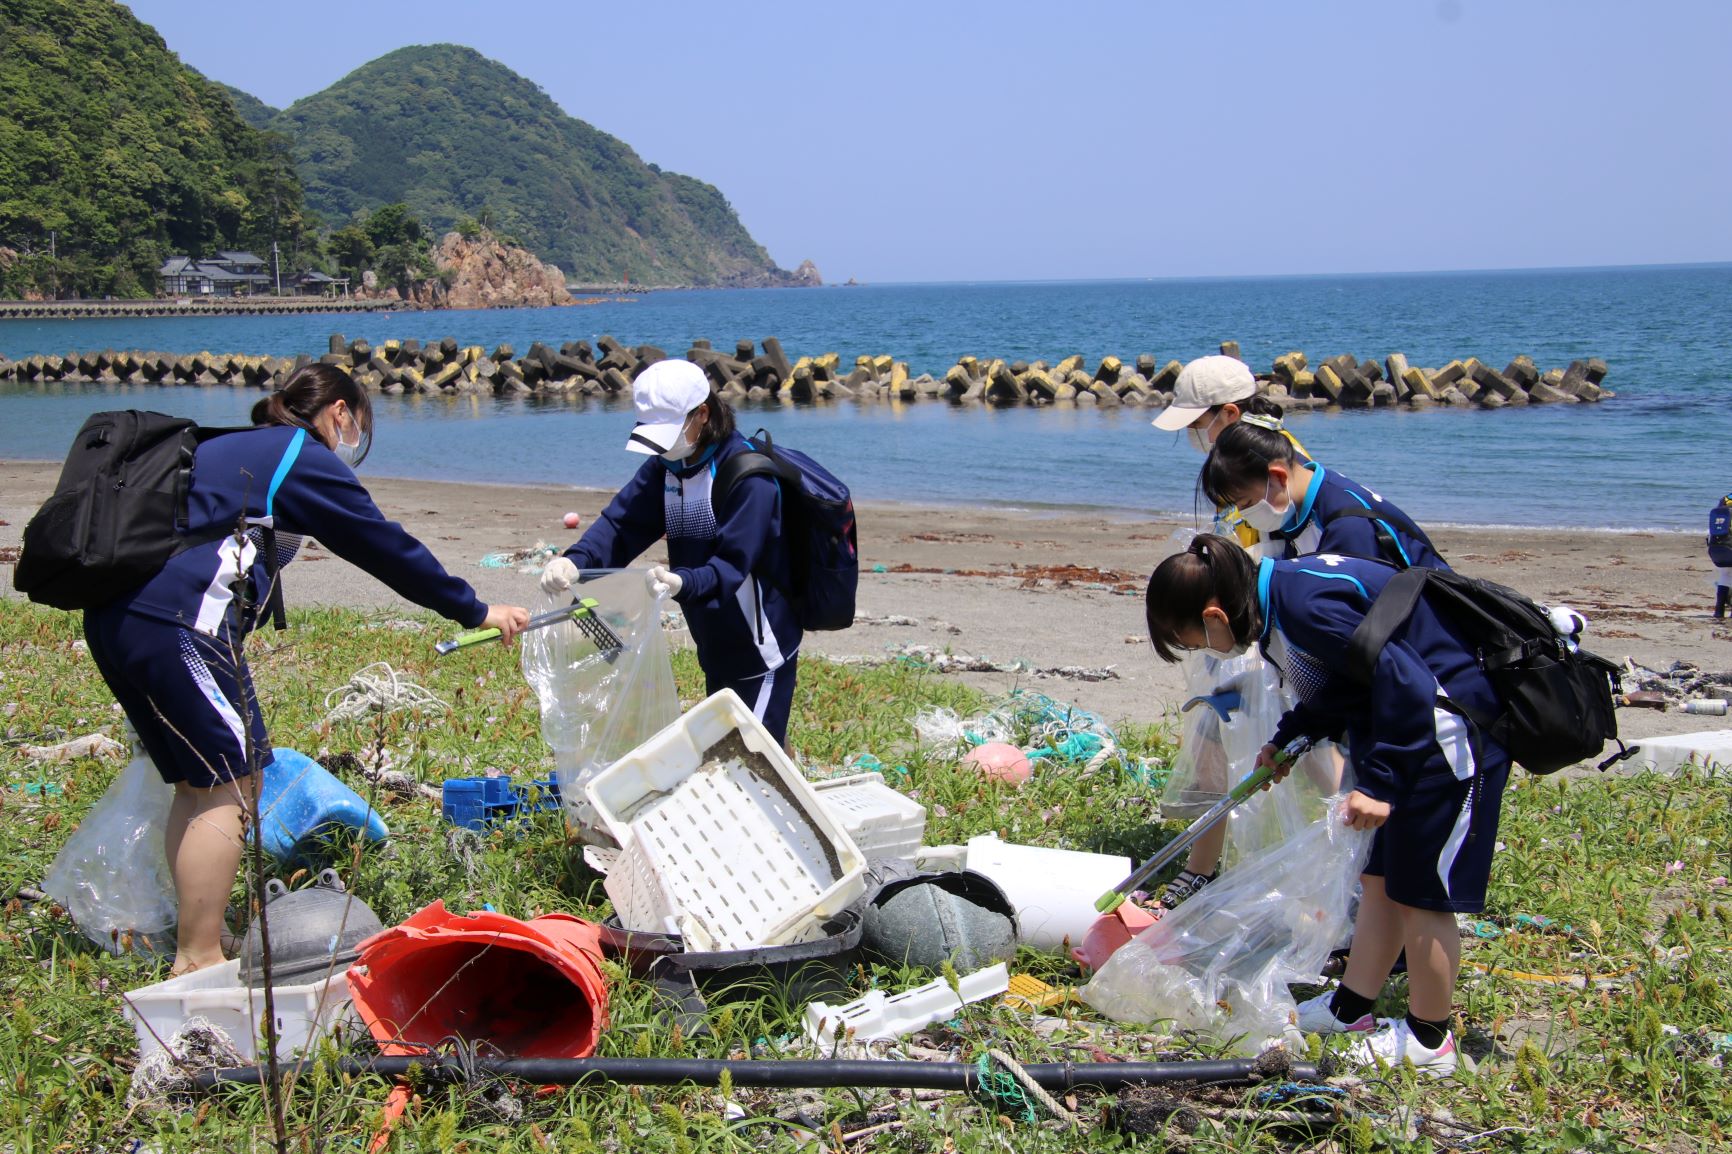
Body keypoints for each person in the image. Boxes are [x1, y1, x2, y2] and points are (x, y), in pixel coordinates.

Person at [83, 364, 529, 975]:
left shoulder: (234, 445)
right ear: (340, 413)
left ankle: (199, 936)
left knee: (201, 782)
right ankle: (198, 958)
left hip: (120, 618)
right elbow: (381, 543)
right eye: (357, 427)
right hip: (180, 626)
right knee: (230, 785)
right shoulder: (297, 453)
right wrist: (474, 608)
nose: (352, 442)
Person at [1145, 534, 1512, 1077]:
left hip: (1447, 741)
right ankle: (1351, 1008)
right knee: (1380, 881)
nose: (1205, 651)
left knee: (1422, 896)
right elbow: (1344, 684)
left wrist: (1380, 786)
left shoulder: (1303, 608)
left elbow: (1406, 686)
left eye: (1196, 640)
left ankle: (1431, 1039)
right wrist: (1291, 737)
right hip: (1412, 741)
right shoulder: (1278, 600)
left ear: (1215, 615)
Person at [541, 359, 800, 742]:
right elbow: (621, 525)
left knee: (753, 755)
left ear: (702, 415)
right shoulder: (667, 468)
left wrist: (681, 582)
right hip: (713, 641)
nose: (660, 447)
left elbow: (731, 567)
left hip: (761, 649)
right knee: (739, 748)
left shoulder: (748, 477)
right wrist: (575, 562)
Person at [1149, 356, 1325, 909]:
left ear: (1229, 413)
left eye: (1199, 425)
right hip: (1233, 620)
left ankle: (1340, 862)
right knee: (1211, 737)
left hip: (1265, 628)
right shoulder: (1241, 464)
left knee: (1300, 749)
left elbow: (1298, 552)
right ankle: (1205, 867)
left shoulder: (1277, 466)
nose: (1197, 439)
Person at [1201, 417, 1448, 571]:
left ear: (1278, 476)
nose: (1245, 514)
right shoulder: (1296, 508)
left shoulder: (1348, 525)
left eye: (1247, 503)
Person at [1709, 493, 1732, 619]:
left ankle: (1719, 611)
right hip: (1730, 547)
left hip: (1718, 547)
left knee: (1725, 576)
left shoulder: (1725, 499)